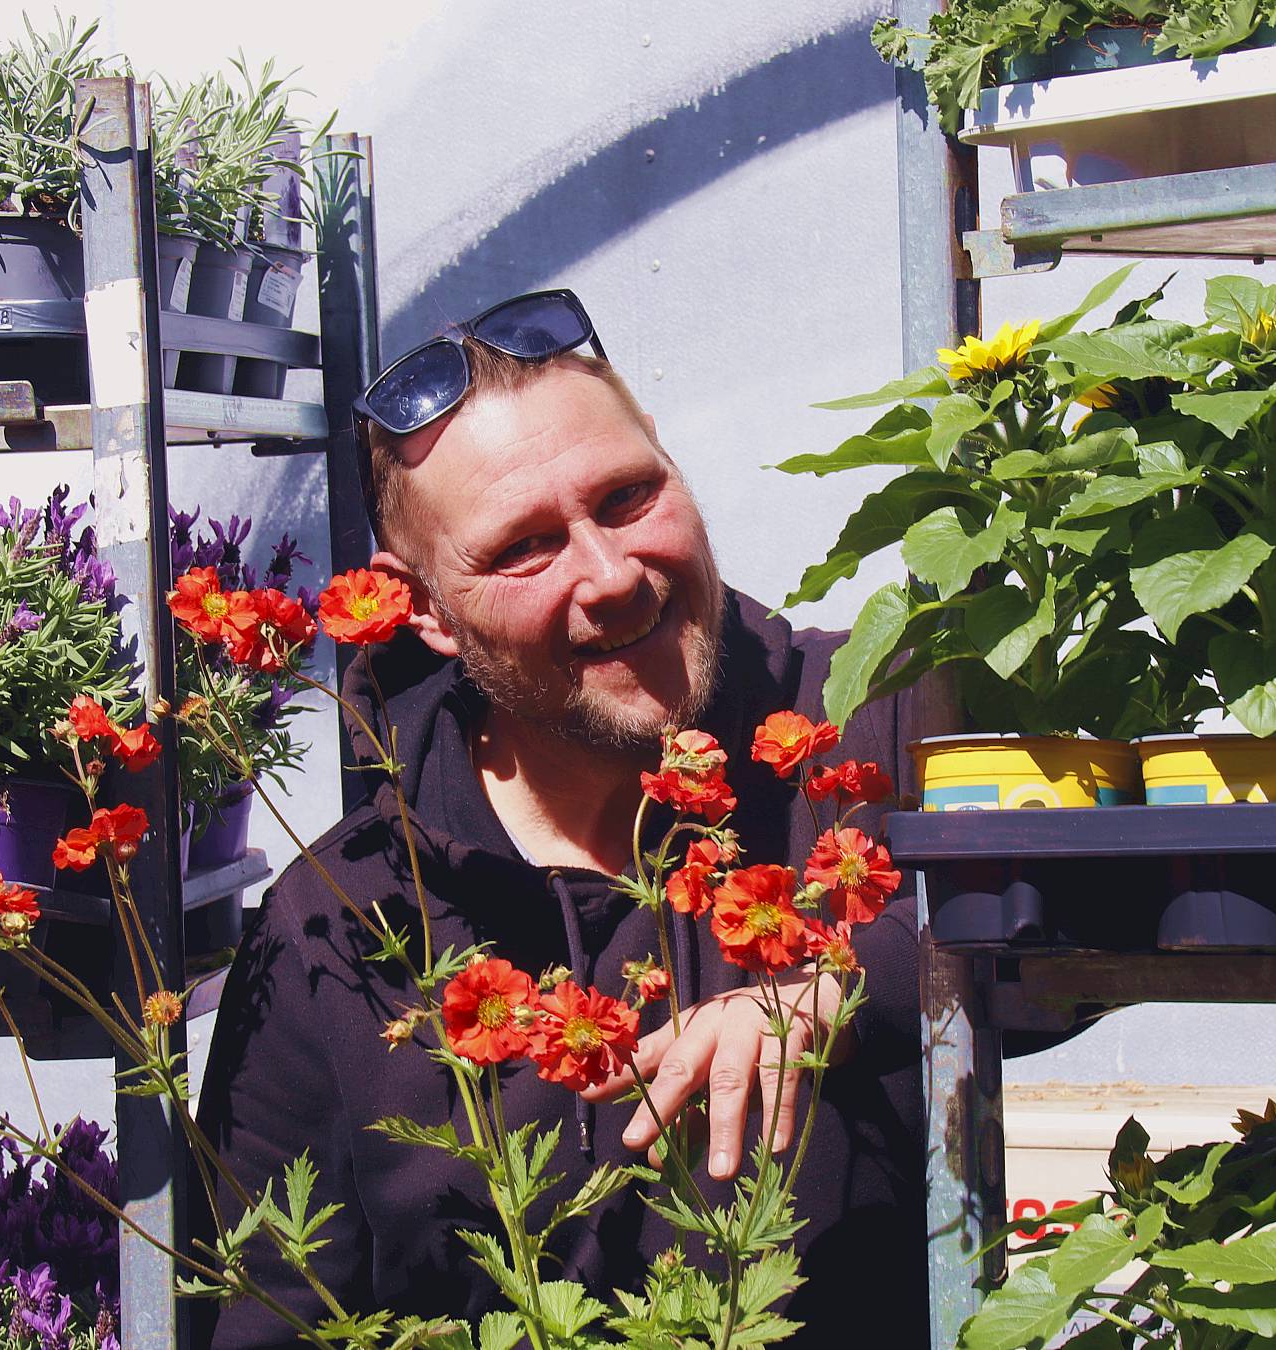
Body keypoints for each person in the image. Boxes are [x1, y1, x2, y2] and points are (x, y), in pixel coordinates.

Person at [195, 290, 945, 1348]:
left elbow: (1141, 899)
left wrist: (844, 991)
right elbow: (261, 1318)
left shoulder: (859, 718)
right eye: (525, 549)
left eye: (630, 496)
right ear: (423, 612)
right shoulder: (336, 927)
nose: (610, 575)